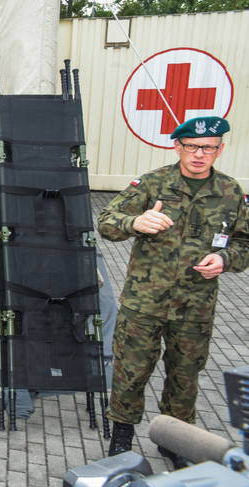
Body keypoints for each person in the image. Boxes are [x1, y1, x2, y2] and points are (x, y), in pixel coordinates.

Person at [98, 117, 248, 464]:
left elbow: (244, 242)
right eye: (192, 146)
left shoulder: (230, 192)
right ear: (177, 146)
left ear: (220, 150)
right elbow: (106, 221)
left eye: (208, 147)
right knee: (131, 371)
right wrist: (135, 222)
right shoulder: (153, 183)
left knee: (185, 376)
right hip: (144, 302)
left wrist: (225, 259)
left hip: (195, 306)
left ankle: (176, 441)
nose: (199, 154)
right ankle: (122, 437)